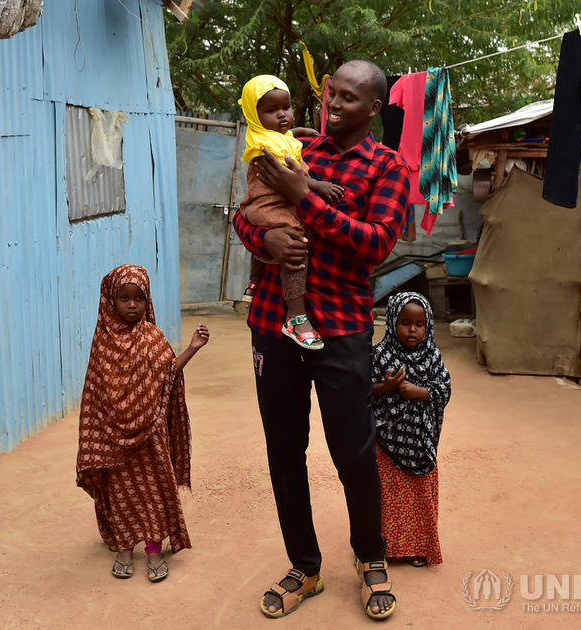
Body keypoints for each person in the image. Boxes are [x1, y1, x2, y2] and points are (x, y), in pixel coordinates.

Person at [232, 59, 409, 620]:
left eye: (349, 99)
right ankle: (305, 567)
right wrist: (265, 243)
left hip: (341, 328)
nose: (333, 105)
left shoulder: (390, 168)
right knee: (284, 450)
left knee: (352, 450)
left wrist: (302, 197)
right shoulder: (292, 148)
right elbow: (242, 216)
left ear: (374, 109)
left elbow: (374, 244)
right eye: (331, 93)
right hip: (273, 323)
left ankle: (369, 557)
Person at [76, 264, 210, 583]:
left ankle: (152, 550)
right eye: (124, 298)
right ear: (111, 300)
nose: (132, 304)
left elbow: (167, 373)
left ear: (146, 300)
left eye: (138, 298)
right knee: (119, 491)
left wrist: (192, 348)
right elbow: (96, 390)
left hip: (150, 434)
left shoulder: (151, 336)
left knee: (153, 491)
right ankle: (124, 548)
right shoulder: (103, 342)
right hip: (113, 437)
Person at [236, 74, 343, 351]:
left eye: (286, 107)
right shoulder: (267, 146)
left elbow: (278, 138)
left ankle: (254, 283)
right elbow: (288, 175)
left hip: (260, 204)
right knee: (295, 239)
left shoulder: (266, 135)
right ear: (253, 114)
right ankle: (295, 316)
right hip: (269, 203)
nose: (282, 115)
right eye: (271, 111)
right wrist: (317, 186)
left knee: (276, 233)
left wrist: (296, 133)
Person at [372, 292, 451, 568]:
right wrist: (387, 387)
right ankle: (381, 548)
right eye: (405, 322)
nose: (413, 329)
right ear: (393, 321)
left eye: (419, 324)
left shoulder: (432, 355)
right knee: (387, 494)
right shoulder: (380, 354)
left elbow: (444, 387)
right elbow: (364, 389)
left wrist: (419, 392)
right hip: (386, 440)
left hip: (419, 442)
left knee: (419, 496)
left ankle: (419, 547)